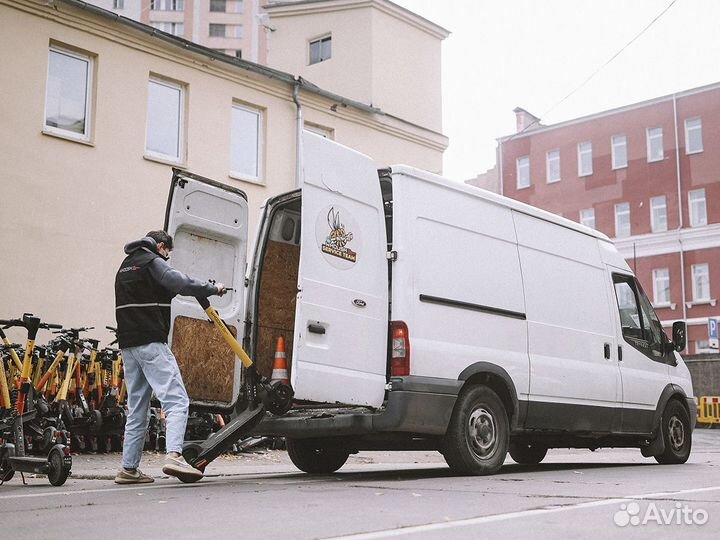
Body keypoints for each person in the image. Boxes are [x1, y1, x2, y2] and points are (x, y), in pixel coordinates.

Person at [113, 230, 226, 484]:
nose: (167, 258)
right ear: (161, 247)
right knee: (176, 400)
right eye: (167, 253)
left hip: (128, 345)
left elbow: (157, 291)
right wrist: (212, 288)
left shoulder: (126, 267)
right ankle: (174, 455)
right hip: (151, 342)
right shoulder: (152, 262)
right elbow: (178, 281)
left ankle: (128, 469)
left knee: (137, 408)